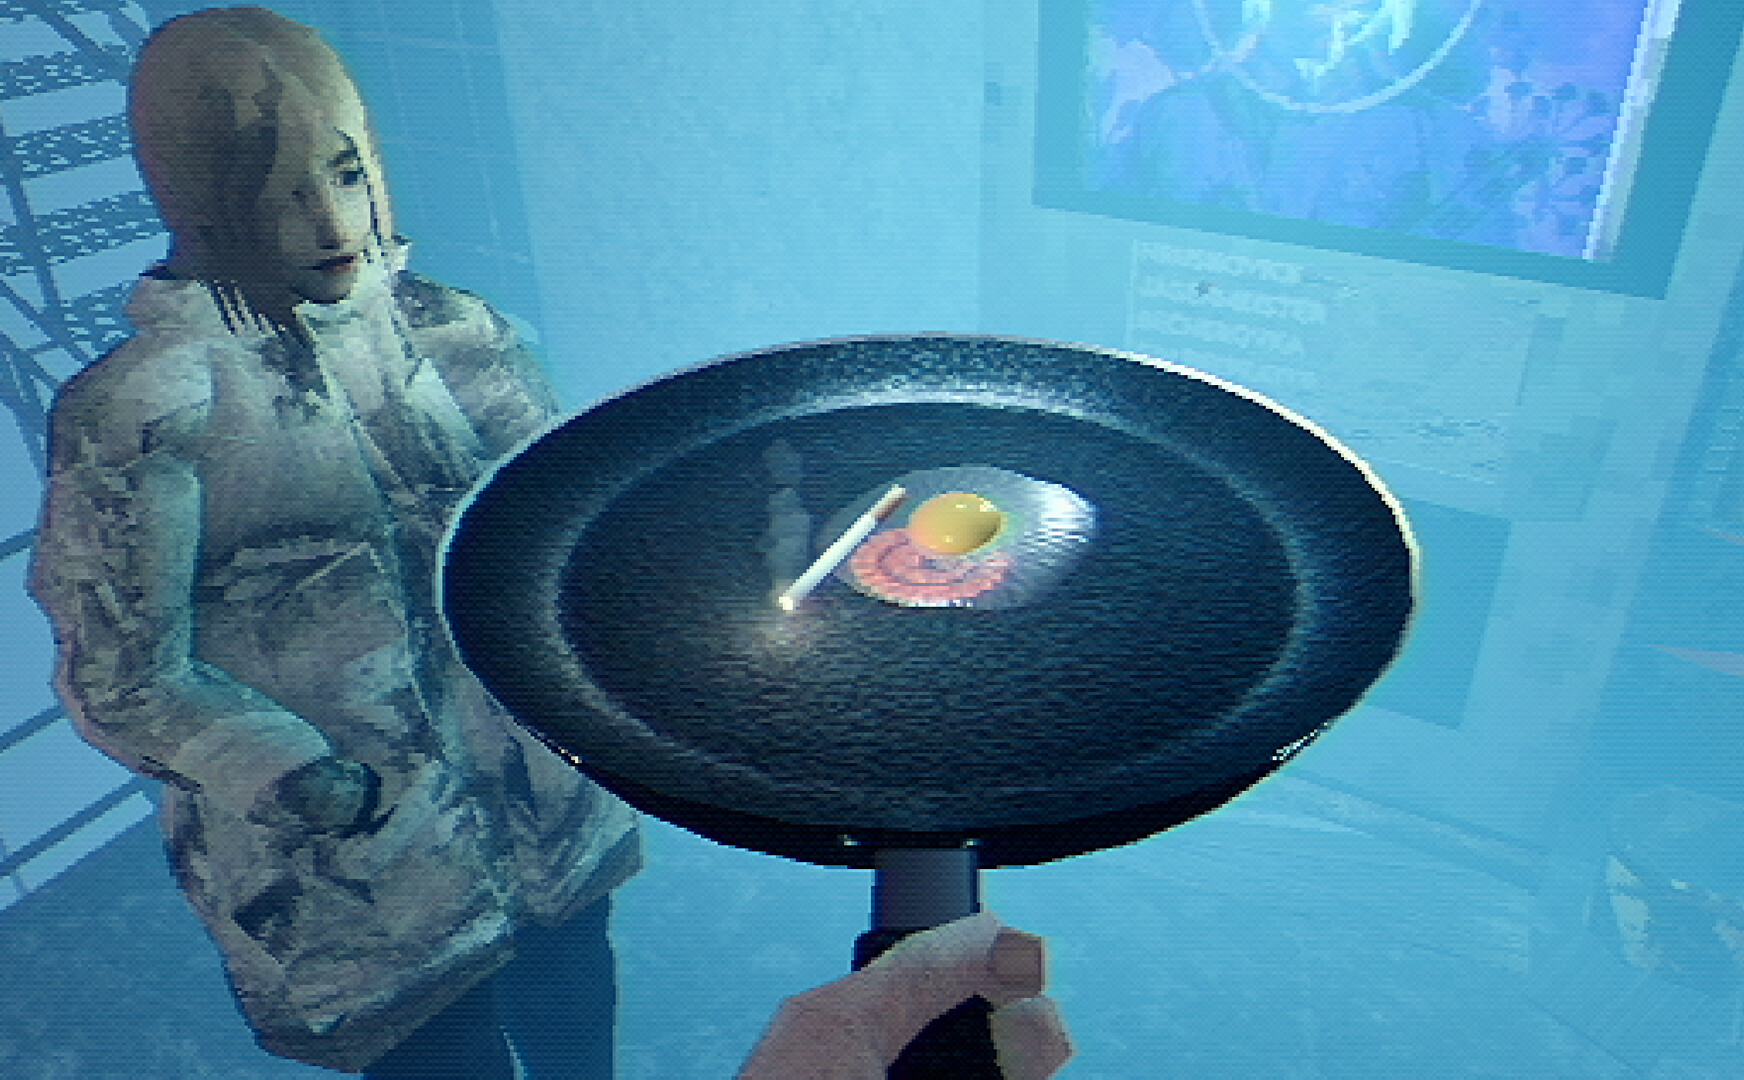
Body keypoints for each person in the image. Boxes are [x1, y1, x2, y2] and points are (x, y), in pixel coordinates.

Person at [29, 8, 1070, 1077]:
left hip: (548, 813)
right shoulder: (150, 412)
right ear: (204, 200)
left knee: (578, 1033)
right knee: (450, 1062)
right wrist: (295, 773)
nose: (329, 220)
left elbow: (574, 525)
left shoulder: (454, 333)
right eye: (277, 193)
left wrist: (722, 582)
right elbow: (120, 672)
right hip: (362, 880)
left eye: (344, 174)